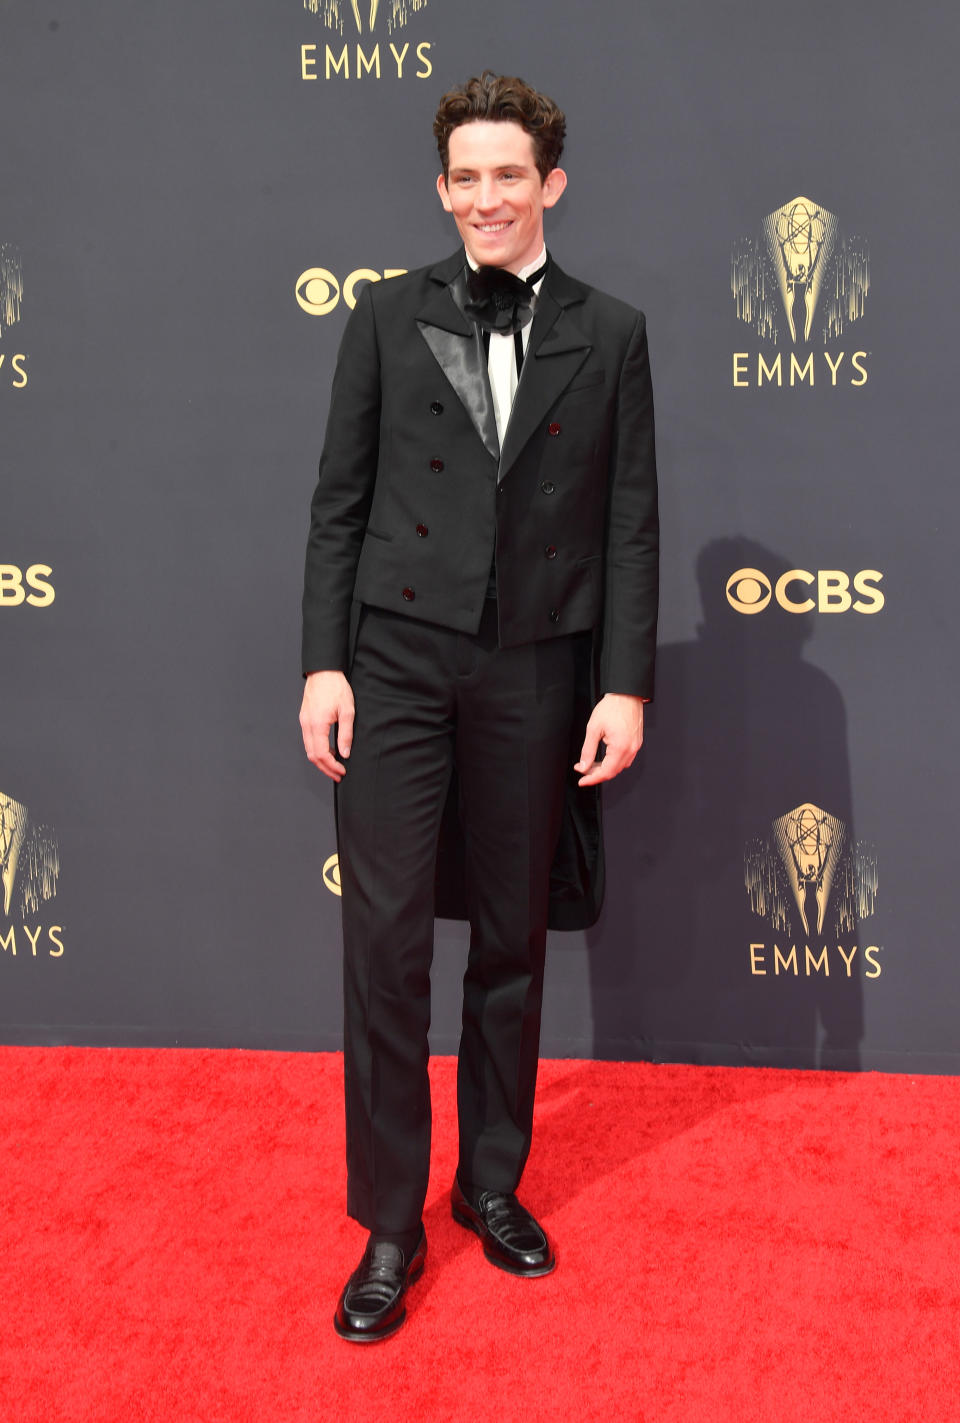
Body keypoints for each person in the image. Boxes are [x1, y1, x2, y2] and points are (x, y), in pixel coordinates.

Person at [300, 70, 659, 1343]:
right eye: (468, 176)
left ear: (550, 183)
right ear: (442, 186)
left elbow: (627, 525)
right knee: (386, 946)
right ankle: (389, 1222)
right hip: (394, 661)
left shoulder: (612, 333)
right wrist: (323, 662)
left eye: (512, 174)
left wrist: (621, 681)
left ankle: (490, 1182)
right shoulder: (386, 318)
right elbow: (338, 501)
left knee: (509, 939)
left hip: (535, 671)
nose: (488, 196)